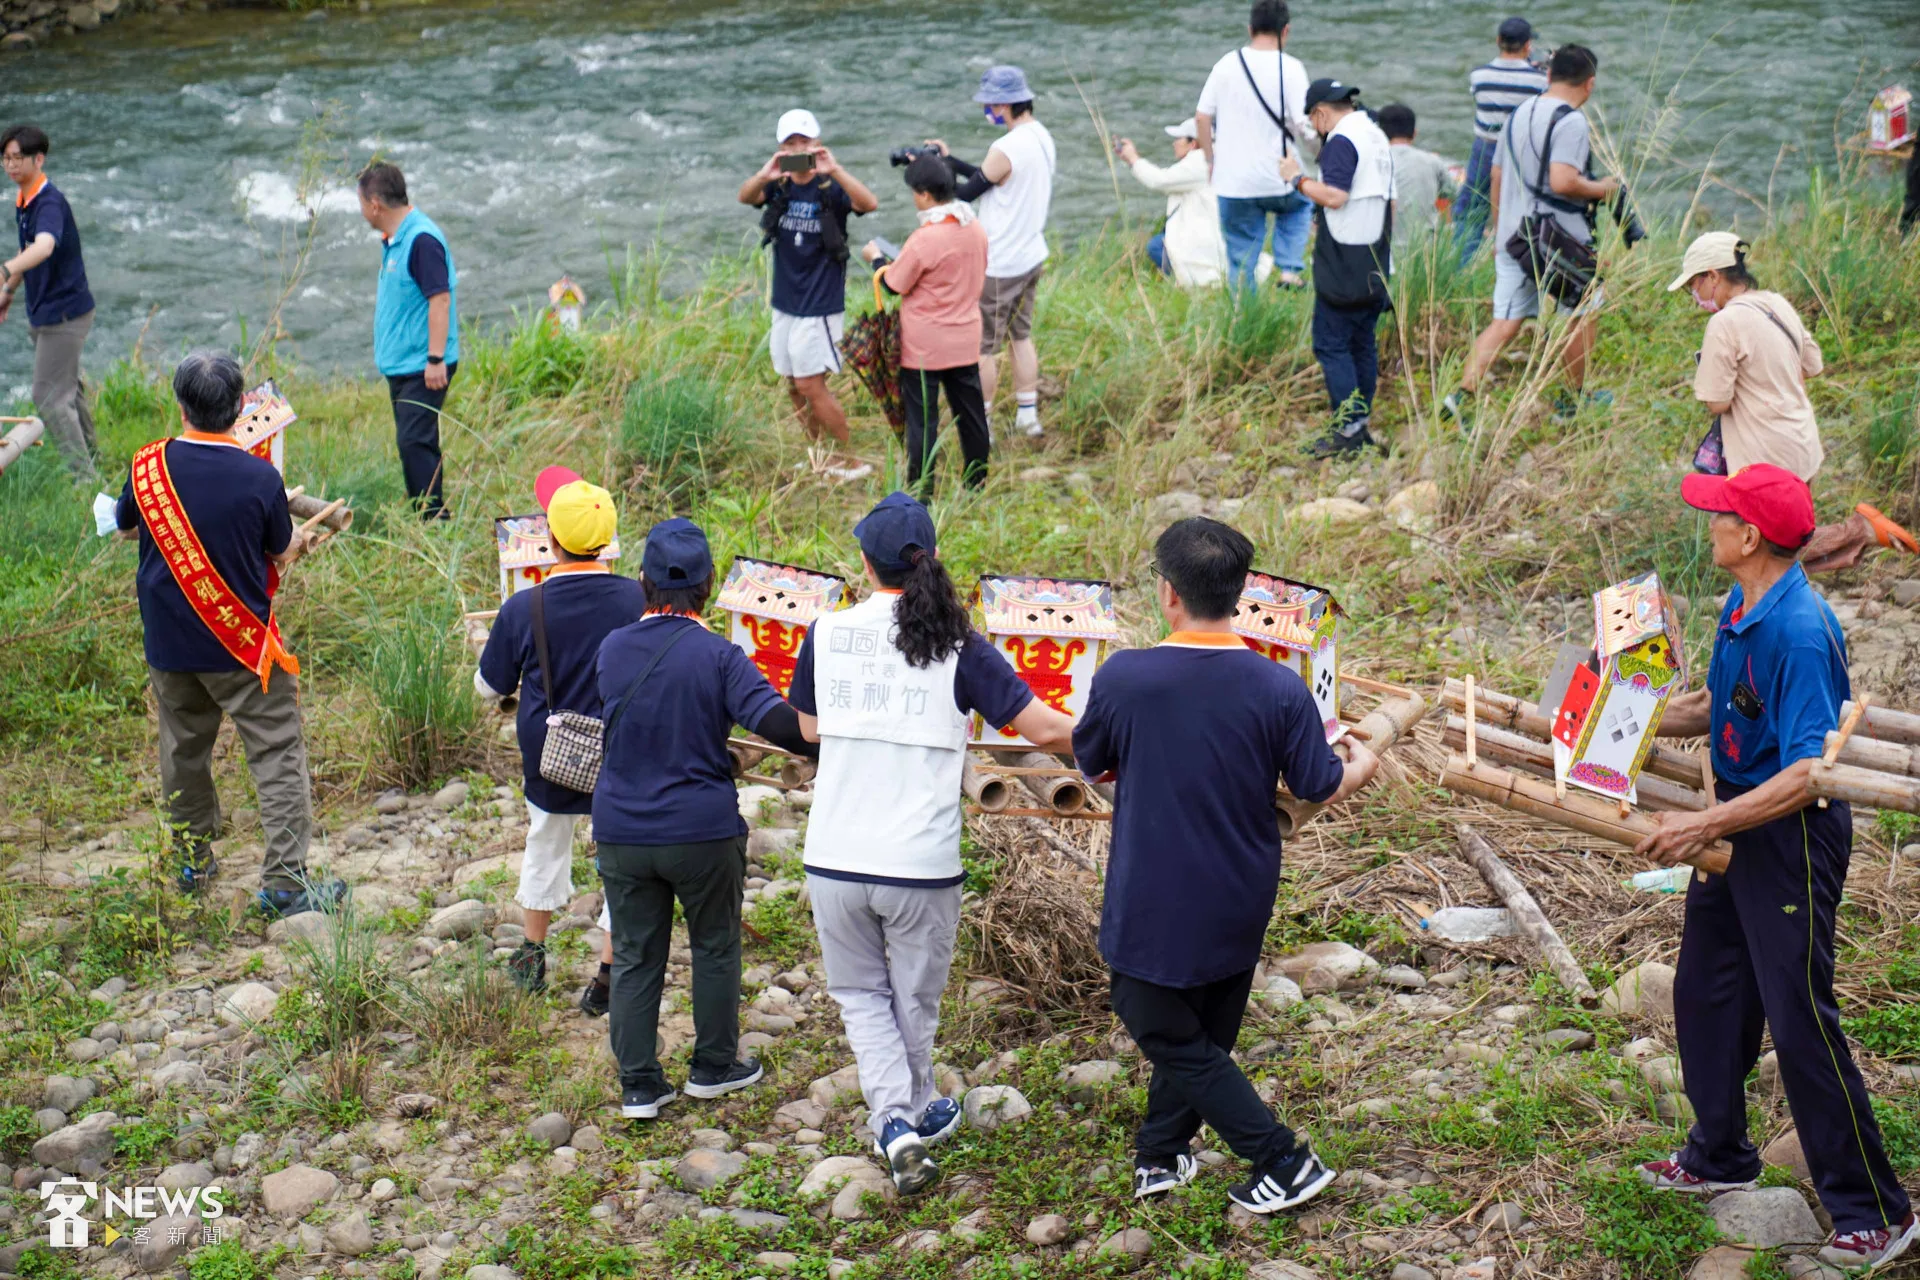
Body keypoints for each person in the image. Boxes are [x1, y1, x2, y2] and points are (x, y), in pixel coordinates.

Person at [1636, 464, 1917, 1275]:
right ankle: (1718, 1152)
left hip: (1787, 834)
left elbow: (1807, 775)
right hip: (1737, 827)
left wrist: (1702, 823)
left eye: (1718, 515)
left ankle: (1875, 1210)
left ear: (1750, 536)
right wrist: (1628, 717)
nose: (1709, 525)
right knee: (1706, 989)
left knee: (1799, 1020)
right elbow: (1715, 704)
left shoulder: (1798, 631)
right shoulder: (1742, 603)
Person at [1074, 517, 1377, 1213]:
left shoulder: (1126, 677)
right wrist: (1366, 766)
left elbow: (1093, 763)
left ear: (1167, 594)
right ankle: (1162, 1152)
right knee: (1202, 1032)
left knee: (1158, 1023)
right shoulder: (1277, 689)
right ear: (1238, 593)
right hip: (1240, 891)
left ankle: (1283, 1158)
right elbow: (1317, 784)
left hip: (1153, 893)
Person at [789, 492, 1075, 1194]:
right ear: (933, 558)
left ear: (864, 563)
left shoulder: (826, 633)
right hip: (918, 865)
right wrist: (1119, 731)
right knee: (914, 1000)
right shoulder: (959, 647)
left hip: (834, 856)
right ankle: (898, 1116)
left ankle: (908, 1113)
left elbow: (807, 732)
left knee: (860, 993)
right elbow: (1041, 730)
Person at [590, 518, 816, 1119]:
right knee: (714, 946)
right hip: (701, 830)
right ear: (710, 583)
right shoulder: (720, 656)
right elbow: (777, 724)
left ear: (642, 582)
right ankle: (714, 1067)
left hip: (623, 831)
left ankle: (639, 1084)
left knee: (637, 954)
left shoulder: (612, 650)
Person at [112, 350, 344, 917]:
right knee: (276, 749)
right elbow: (277, 546)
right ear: (240, 407)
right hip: (238, 647)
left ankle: (192, 861)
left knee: (183, 748)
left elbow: (123, 522)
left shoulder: (148, 466)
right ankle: (286, 883)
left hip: (169, 644)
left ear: (180, 405)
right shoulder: (260, 477)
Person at [475, 466, 646, 995]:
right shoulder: (638, 599)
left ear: (550, 541)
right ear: (609, 541)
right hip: (621, 748)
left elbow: (489, 686)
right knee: (621, 854)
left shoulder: (524, 606)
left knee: (545, 840)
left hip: (550, 749)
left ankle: (532, 957)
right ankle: (609, 976)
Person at [1667, 231, 1917, 573]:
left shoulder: (1724, 322)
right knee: (1785, 543)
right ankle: (1856, 538)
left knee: (1762, 551)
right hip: (1800, 443)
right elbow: (1812, 363)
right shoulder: (1776, 303)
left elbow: (1716, 401)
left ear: (1713, 275)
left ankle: (1860, 531)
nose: (1694, 296)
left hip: (1763, 454)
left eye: (1693, 285)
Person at [1446, 44, 1617, 423]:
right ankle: (1573, 401)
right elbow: (1564, 180)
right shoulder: (1571, 121)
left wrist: (1497, 229)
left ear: (1549, 75)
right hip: (1558, 241)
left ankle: (1463, 395)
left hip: (1513, 237)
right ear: (1589, 84)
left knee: (1505, 321)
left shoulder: (1519, 113)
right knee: (1582, 310)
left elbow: (1496, 176)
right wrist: (1604, 188)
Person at [738, 108, 879, 481]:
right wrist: (767, 172)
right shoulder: (778, 185)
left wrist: (835, 170)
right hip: (785, 302)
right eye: (790, 143)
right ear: (781, 148)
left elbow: (869, 203)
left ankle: (851, 461)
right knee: (792, 384)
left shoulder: (831, 188)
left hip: (820, 304)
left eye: (805, 141)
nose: (798, 147)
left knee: (810, 384)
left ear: (817, 143)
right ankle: (819, 454)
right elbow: (744, 196)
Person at [929, 65, 1055, 438]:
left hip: (1001, 263)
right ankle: (1027, 417)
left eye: (989, 105)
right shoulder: (1041, 136)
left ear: (1002, 104)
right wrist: (950, 162)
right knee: (1021, 336)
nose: (987, 111)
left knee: (982, 347)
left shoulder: (1005, 147)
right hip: (1031, 254)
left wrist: (932, 173)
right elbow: (993, 178)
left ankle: (979, 422)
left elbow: (965, 195)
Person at [860, 155, 990, 493]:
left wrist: (876, 258)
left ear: (923, 195)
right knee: (972, 416)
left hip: (923, 348)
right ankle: (976, 483)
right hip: (964, 339)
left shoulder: (925, 238)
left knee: (923, 423)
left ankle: (922, 491)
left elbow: (893, 285)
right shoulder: (975, 229)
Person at [1283, 80, 1396, 458]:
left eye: (1314, 122)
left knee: (1331, 345)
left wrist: (1297, 179)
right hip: (1376, 255)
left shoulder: (1342, 140)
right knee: (1362, 342)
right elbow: (1389, 203)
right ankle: (1359, 427)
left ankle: (1347, 432)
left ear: (1320, 113)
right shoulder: (1376, 137)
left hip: (1344, 261)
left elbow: (1335, 196)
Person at [358, 162, 458, 519]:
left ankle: (434, 520)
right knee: (413, 442)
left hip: (423, 365)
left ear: (374, 205)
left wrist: (435, 359)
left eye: (361, 202)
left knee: (415, 442)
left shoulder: (421, 240)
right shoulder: (396, 238)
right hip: (405, 364)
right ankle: (424, 509)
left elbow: (440, 299)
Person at [1, 124, 98, 484]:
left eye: (17, 158)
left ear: (38, 159)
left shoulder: (49, 203)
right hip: (47, 310)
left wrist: (4, 271)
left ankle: (83, 479)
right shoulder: (26, 199)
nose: (10, 165)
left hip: (64, 314)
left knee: (49, 395)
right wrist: (9, 290)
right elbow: (31, 250)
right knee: (67, 388)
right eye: (5, 158)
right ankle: (93, 456)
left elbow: (43, 246)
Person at [1196, 0, 1312, 292]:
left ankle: (1243, 318)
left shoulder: (1225, 64)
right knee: (1300, 206)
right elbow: (1302, 123)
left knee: (1241, 257)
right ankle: (1288, 269)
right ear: (1286, 31)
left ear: (1250, 29)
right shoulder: (1292, 68)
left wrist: (1211, 160)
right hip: (1278, 177)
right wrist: (1321, 153)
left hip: (1233, 181)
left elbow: (1202, 117)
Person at [1453, 17, 1547, 266]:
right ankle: (1522, 261)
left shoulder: (1479, 75)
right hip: (1522, 149)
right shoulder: (1540, 80)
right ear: (1528, 45)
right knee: (1525, 206)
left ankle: (1463, 266)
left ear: (1498, 41)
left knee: (1471, 209)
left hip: (1485, 146)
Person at [1117, 119, 1230, 287]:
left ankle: (1194, 285)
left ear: (1193, 143)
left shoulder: (1199, 162)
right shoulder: (1210, 159)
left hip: (1206, 239)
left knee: (1157, 247)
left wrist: (1133, 159)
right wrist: (1132, 161)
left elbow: (1160, 180)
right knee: (1160, 244)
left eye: (1178, 138)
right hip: (1212, 234)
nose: (1173, 143)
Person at [1378, 103, 1459, 256]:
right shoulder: (1432, 161)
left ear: (1380, 133)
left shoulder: (1372, 162)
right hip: (1425, 252)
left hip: (1382, 251)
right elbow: (1453, 194)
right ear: (1414, 133)